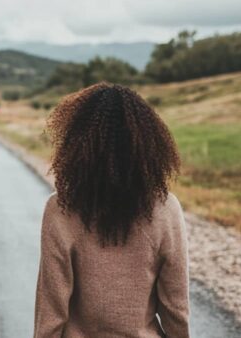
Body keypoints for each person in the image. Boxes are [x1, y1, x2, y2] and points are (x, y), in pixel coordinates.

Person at [34, 82, 189, 337]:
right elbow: (176, 310)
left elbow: (51, 312)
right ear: (149, 145)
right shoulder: (166, 209)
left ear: (77, 144)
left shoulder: (60, 209)